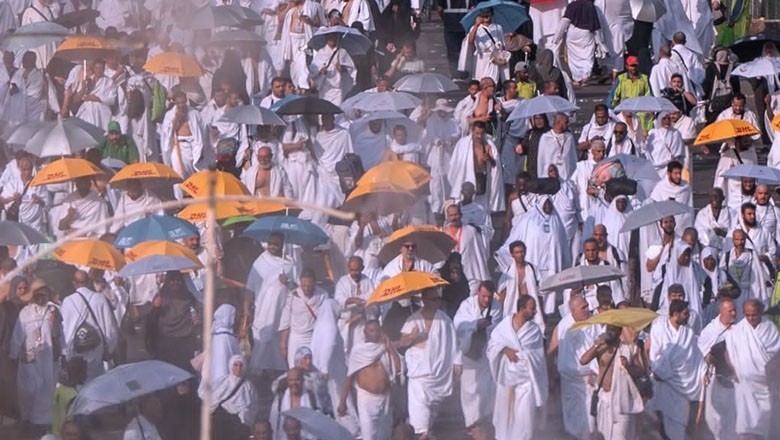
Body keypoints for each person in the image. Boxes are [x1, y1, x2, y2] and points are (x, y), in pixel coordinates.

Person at [397, 288, 456, 438]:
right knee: (420, 420)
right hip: (419, 376)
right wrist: (413, 337)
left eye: (438, 299)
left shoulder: (445, 320)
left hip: (438, 376)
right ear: (424, 300)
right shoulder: (412, 320)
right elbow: (402, 343)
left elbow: (454, 343)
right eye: (433, 299)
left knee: (430, 421)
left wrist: (457, 361)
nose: (437, 302)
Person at [487, 295, 548, 440]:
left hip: (527, 383)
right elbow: (492, 346)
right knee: (505, 419)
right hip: (507, 381)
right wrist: (505, 349)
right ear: (522, 309)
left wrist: (523, 356)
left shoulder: (534, 331)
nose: (535, 312)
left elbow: (538, 356)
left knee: (525, 420)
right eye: (532, 309)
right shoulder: (504, 326)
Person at [647, 300, 703, 440]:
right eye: (685, 314)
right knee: (660, 427)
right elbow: (654, 356)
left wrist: (704, 372)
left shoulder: (689, 334)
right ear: (675, 314)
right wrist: (663, 368)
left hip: (683, 387)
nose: (688, 316)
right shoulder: (659, 329)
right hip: (663, 385)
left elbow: (696, 358)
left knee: (678, 428)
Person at [10, 281, 61, 435]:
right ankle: (27, 419)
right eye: (37, 295)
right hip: (29, 359)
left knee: (46, 390)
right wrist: (13, 355)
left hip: (48, 360)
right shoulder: (25, 313)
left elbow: (60, 335)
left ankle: (41, 426)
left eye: (43, 294)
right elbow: (17, 336)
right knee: (27, 390)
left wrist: (63, 354)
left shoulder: (53, 311)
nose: (41, 298)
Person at [724, 299, 780, 439]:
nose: (750, 318)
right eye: (747, 315)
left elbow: (776, 355)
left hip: (765, 386)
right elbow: (728, 352)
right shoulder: (738, 330)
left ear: (760, 312)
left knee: (764, 427)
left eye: (754, 315)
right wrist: (734, 369)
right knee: (744, 426)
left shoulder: (770, 329)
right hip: (744, 385)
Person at [579, 324, 646, 439]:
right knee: (604, 436)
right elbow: (583, 360)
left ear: (620, 332)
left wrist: (628, 367)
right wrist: (597, 345)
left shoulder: (629, 348)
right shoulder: (600, 347)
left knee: (620, 436)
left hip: (622, 399)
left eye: (613, 330)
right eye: (608, 329)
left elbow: (640, 371)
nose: (610, 332)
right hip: (604, 398)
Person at [338, 320, 401, 440]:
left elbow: (397, 367)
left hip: (385, 398)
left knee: (385, 435)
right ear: (365, 332)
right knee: (368, 436)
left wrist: (390, 347)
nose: (375, 333)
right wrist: (343, 402)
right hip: (366, 399)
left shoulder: (384, 348)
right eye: (371, 331)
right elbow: (349, 377)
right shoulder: (358, 350)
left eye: (377, 330)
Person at [246, 232, 298, 374]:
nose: (273, 247)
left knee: (278, 346)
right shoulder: (260, 262)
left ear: (282, 245)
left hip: (282, 313)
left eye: (276, 244)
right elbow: (249, 288)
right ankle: (257, 374)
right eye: (270, 244)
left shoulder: (290, 263)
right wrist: (246, 311)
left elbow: (298, 288)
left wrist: (287, 282)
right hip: (263, 311)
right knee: (261, 342)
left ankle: (278, 374)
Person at [452, 281, 502, 429]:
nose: (486, 300)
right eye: (484, 296)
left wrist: (485, 327)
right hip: (467, 353)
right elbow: (458, 325)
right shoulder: (467, 305)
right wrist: (475, 325)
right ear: (478, 293)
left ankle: (484, 423)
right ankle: (471, 425)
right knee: (469, 391)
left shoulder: (497, 307)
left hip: (485, 353)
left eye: (489, 297)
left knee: (487, 389)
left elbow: (496, 329)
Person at [547, 296, 597, 440]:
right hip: (569, 380)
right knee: (572, 416)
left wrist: (596, 375)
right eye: (584, 307)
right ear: (573, 310)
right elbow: (552, 350)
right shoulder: (563, 325)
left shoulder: (595, 323)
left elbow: (600, 350)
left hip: (589, 379)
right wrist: (550, 376)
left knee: (589, 417)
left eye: (587, 306)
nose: (588, 309)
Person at [61, 270, 118, 381]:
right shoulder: (100, 299)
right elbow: (111, 329)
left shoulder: (67, 301)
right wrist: (108, 350)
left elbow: (64, 331)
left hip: (75, 352)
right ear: (88, 282)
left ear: (74, 283)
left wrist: (65, 354)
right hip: (97, 351)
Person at [697, 297, 737, 440]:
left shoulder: (739, 330)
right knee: (714, 420)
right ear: (721, 312)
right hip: (714, 381)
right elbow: (699, 353)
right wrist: (707, 356)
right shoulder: (710, 331)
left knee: (732, 420)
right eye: (730, 311)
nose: (733, 313)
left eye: (734, 310)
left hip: (733, 382)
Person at [146, 271, 199, 372]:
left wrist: (197, 319)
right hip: (165, 341)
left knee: (184, 373)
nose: (175, 283)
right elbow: (151, 322)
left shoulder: (188, 297)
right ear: (167, 281)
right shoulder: (160, 297)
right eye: (172, 280)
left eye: (178, 280)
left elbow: (197, 312)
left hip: (184, 341)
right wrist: (155, 308)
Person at [448, 121, 504, 213]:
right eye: (477, 133)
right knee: (464, 208)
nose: (479, 136)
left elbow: (495, 166)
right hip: (466, 179)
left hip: (481, 179)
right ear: (472, 131)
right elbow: (455, 164)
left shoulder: (488, 146)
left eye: (481, 133)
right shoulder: (463, 144)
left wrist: (489, 159)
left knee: (480, 209)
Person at [279, 269, 328, 367]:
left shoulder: (323, 295)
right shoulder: (293, 295)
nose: (306, 289)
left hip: (314, 337)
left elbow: (327, 320)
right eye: (303, 286)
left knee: (313, 366)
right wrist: (283, 345)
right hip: (295, 338)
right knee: (294, 366)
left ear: (314, 283)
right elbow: (285, 322)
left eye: (309, 286)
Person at [553, 0, 607, 86]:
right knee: (587, 55)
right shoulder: (591, 6)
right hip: (586, 33)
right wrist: (600, 41)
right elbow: (596, 25)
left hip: (573, 33)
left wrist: (557, 37)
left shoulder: (572, 5)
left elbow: (565, 21)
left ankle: (577, 78)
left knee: (574, 57)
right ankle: (585, 77)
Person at [160, 91, 208, 185]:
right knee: (178, 176)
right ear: (175, 103)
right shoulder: (170, 115)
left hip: (193, 147)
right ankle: (179, 198)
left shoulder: (194, 114)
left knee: (194, 176)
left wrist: (202, 148)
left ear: (186, 101)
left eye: (183, 102)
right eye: (178, 103)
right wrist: (176, 119)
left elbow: (203, 131)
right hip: (178, 146)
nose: (181, 105)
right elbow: (167, 133)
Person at [209, 355, 260, 439]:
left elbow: (253, 405)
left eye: (241, 365)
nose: (238, 368)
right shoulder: (223, 381)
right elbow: (212, 400)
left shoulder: (248, 386)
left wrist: (246, 420)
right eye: (235, 365)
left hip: (238, 424)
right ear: (231, 366)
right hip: (220, 421)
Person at [269, 367, 316, 440]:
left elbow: (317, 423)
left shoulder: (311, 398)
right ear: (287, 381)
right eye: (291, 380)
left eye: (297, 379)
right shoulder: (280, 400)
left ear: (302, 380)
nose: (294, 383)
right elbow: (273, 423)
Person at [309, 34, 356, 106]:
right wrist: (320, 71)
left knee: (337, 110)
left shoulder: (342, 52)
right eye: (330, 37)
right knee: (324, 109)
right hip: (325, 87)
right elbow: (313, 69)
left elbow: (351, 68)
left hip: (338, 88)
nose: (332, 39)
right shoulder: (321, 52)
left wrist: (342, 68)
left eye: (334, 37)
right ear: (326, 38)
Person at [536, 113, 577, 181]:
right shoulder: (545, 137)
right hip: (549, 176)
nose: (568, 125)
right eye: (566, 122)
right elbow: (541, 159)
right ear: (558, 122)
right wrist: (542, 177)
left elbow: (573, 159)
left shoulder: (569, 137)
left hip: (566, 176)